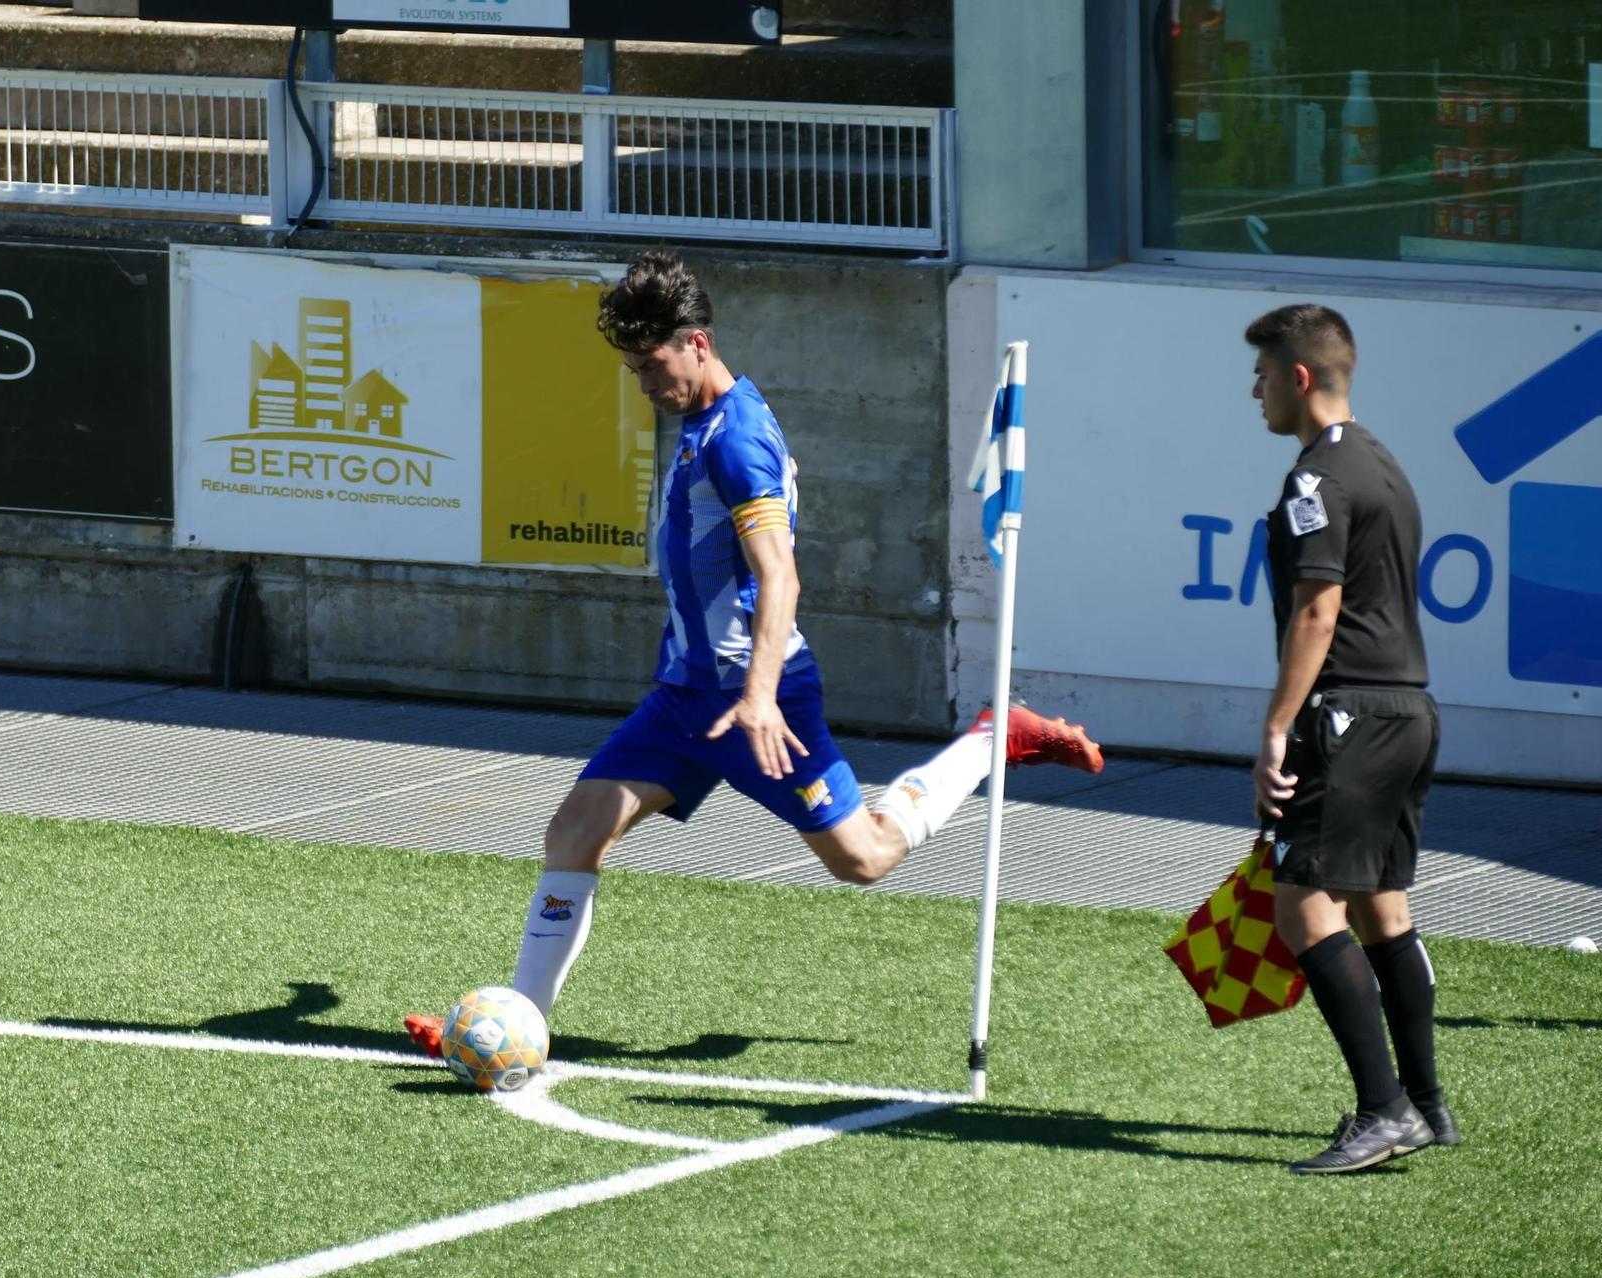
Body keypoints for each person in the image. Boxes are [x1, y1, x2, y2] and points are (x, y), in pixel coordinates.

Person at [405, 249, 1103, 1056]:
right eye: (632, 370)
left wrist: (762, 693)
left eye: (652, 365)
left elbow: (781, 575)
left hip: (756, 701)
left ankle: (992, 737)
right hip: (685, 697)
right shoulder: (711, 420)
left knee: (863, 857)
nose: (644, 384)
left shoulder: (735, 441)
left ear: (697, 343)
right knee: (576, 829)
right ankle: (517, 1026)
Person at [1245, 303, 1457, 1175]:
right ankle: (1429, 1103)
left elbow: (1319, 609)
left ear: (1300, 377)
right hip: (1408, 709)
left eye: (1261, 374)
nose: (1252, 391)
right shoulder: (1384, 465)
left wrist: (1277, 724)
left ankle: (1383, 1110)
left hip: (1348, 715)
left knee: (1304, 905)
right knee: (1383, 908)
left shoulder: (1316, 482)